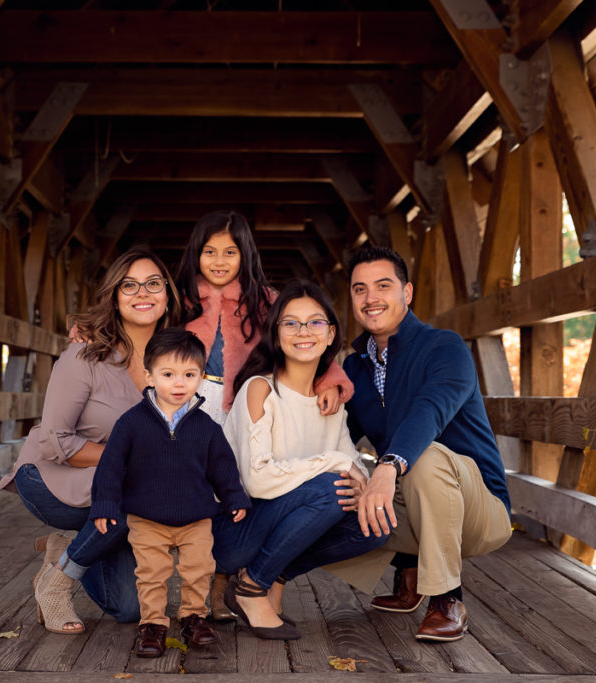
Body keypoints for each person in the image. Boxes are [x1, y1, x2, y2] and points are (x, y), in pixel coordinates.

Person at [285, 245, 512, 643]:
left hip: (480, 510)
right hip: (410, 504)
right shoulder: (353, 369)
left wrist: (386, 467)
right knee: (332, 489)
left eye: (383, 286)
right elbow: (334, 438)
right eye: (359, 289)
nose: (371, 298)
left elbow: (431, 411)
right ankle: (408, 572)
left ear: (406, 293)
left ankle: (446, 598)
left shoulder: (445, 347)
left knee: (424, 459)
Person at [174, 209, 355, 619]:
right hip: (191, 403)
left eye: (230, 252)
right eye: (209, 252)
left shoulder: (265, 300)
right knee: (196, 491)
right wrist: (88, 330)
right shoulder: (179, 299)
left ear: (246, 255)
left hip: (237, 402)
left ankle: (226, 585)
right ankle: (205, 575)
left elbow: (306, 336)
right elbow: (134, 318)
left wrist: (330, 378)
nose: (219, 261)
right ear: (195, 255)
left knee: (233, 485)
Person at [0, 247, 182, 634]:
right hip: (50, 478)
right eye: (129, 285)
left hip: (116, 491)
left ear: (167, 296)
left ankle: (66, 548)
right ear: (114, 297)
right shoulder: (84, 357)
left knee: (129, 608)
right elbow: (54, 441)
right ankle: (57, 585)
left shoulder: (176, 364)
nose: (142, 293)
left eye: (153, 284)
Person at [211, 280, 388, 640]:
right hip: (232, 531)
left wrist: (361, 487)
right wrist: (336, 464)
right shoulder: (260, 389)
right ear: (276, 335)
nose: (303, 331)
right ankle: (249, 588)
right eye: (291, 323)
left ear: (329, 335)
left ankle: (270, 574)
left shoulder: (332, 404)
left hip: (278, 527)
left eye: (315, 323)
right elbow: (257, 480)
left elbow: (351, 466)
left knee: (374, 523)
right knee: (329, 487)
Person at [90, 328, 250, 657]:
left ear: (201, 377)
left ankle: (194, 617)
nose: (179, 384)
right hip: (147, 518)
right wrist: (105, 504)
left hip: (196, 518)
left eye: (189, 375)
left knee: (199, 569)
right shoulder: (131, 423)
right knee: (151, 573)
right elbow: (110, 466)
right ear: (149, 376)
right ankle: (153, 625)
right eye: (168, 374)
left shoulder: (206, 426)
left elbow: (223, 467)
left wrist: (234, 497)